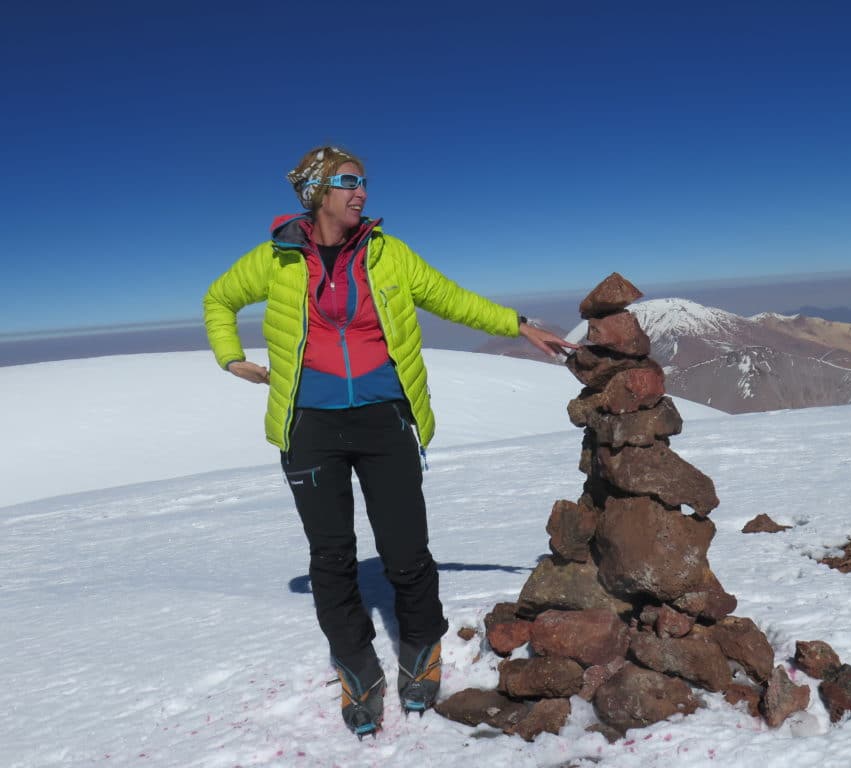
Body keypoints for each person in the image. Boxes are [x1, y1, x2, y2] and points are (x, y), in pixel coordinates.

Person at [203, 145, 574, 737]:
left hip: (385, 420)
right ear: (318, 192)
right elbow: (218, 298)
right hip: (309, 427)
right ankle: (356, 663)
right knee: (331, 556)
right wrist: (230, 357)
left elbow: (451, 298)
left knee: (406, 549)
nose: (362, 192)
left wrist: (520, 325)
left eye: (364, 181)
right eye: (349, 181)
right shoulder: (276, 258)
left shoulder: (387, 253)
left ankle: (421, 645)